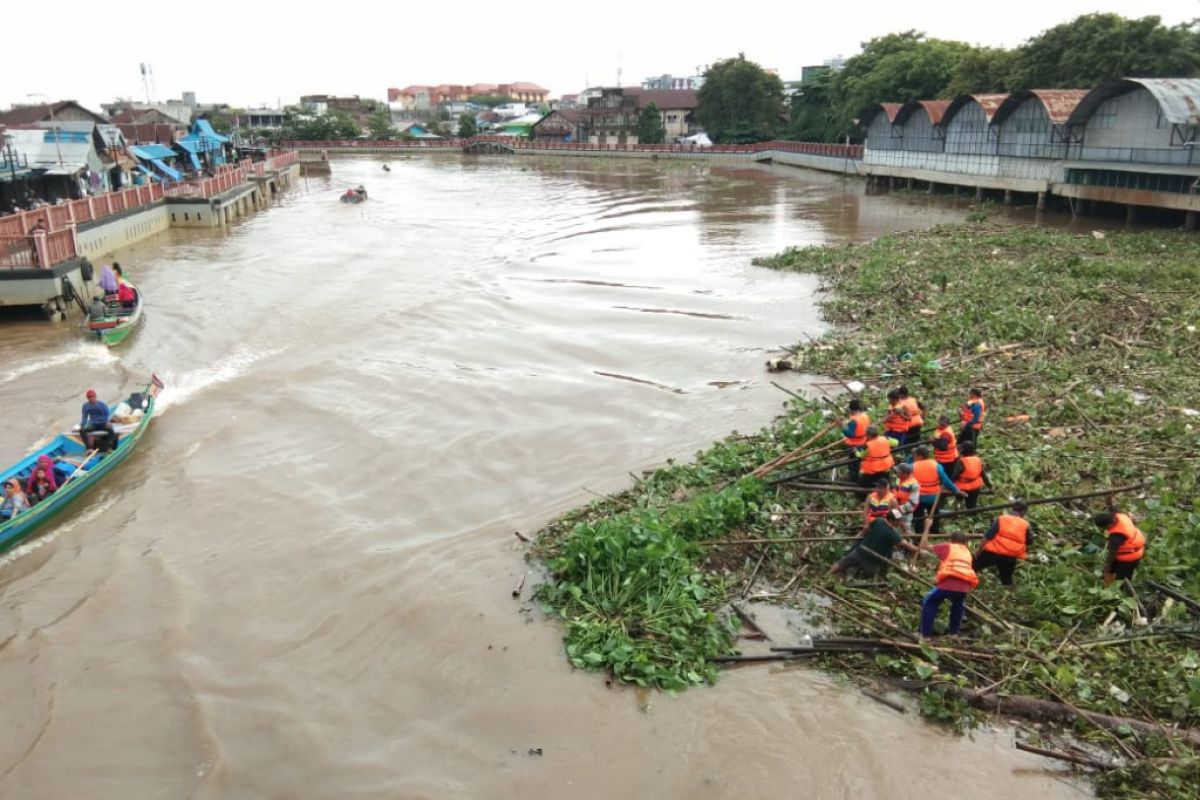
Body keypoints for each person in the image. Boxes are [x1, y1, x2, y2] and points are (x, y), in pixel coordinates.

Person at [918, 529, 979, 637]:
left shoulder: (948, 547)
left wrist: (927, 527)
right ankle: (954, 634)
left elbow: (923, 545)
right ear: (965, 543)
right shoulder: (968, 552)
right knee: (958, 604)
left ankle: (925, 635)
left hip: (948, 583)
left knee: (929, 602)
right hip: (964, 586)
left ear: (951, 540)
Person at [831, 510, 921, 580]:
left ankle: (827, 576)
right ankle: (856, 577)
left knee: (842, 564)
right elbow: (906, 545)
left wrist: (858, 537)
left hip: (860, 551)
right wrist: (920, 551)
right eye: (898, 521)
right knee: (870, 576)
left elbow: (866, 529)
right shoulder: (892, 534)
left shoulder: (879, 521)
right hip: (872, 559)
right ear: (891, 520)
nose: (899, 522)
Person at [974, 501, 1033, 588]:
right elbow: (1030, 541)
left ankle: (963, 581)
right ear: (1023, 512)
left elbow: (988, 536)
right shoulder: (1026, 524)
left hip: (994, 551)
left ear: (1012, 509)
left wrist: (978, 550)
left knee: (974, 566)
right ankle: (1009, 595)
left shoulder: (1001, 519)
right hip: (1010, 556)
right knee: (1006, 578)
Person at [911, 445, 965, 535]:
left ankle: (919, 534)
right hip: (933, 497)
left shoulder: (912, 466)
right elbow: (946, 481)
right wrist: (956, 491)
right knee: (935, 515)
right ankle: (935, 532)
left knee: (918, 517)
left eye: (915, 455)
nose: (914, 457)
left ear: (920, 456)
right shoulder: (936, 465)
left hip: (918, 497)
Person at [1093, 510, 1146, 584]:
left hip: (1130, 557)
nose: (1106, 529)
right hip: (1137, 548)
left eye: (1104, 527)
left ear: (1108, 524)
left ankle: (1122, 591)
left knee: (1121, 579)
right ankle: (1108, 582)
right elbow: (1113, 508)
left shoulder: (1116, 536)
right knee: (1112, 569)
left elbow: (1112, 555)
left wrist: (1107, 568)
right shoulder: (1120, 516)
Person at [857, 425, 897, 491]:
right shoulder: (885, 439)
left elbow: (861, 456)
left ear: (868, 435)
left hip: (873, 470)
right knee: (885, 480)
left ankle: (864, 495)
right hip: (886, 467)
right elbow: (896, 443)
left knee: (861, 484)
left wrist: (856, 452)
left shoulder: (868, 445)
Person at [953, 441, 990, 509]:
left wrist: (947, 486)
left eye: (961, 449)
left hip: (962, 488)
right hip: (975, 487)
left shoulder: (961, 461)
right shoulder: (978, 460)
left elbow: (954, 476)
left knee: (959, 498)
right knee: (971, 506)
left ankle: (958, 507)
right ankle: (971, 513)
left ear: (964, 450)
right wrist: (990, 487)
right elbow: (983, 475)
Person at [842, 399, 870, 482]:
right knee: (860, 462)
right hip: (863, 442)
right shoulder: (865, 416)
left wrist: (843, 426)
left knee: (853, 464)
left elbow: (850, 434)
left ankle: (854, 481)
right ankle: (862, 477)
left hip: (853, 445)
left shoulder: (853, 420)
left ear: (851, 409)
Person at [893, 463, 921, 536]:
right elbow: (894, 492)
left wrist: (899, 509)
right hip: (896, 508)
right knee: (895, 529)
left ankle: (909, 545)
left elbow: (913, 503)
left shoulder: (914, 484)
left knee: (905, 531)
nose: (897, 474)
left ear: (905, 474)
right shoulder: (898, 480)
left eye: (898, 472)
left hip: (906, 512)